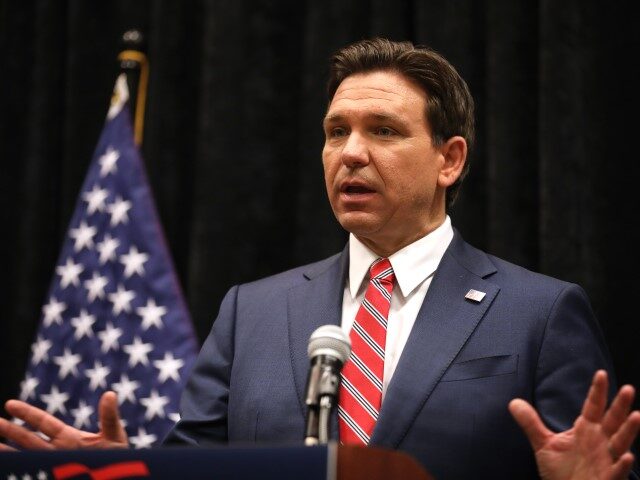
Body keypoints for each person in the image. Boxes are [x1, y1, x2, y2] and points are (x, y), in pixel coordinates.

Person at [1, 38, 639, 479]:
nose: (351, 153)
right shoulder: (252, 310)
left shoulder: (542, 313)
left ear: (450, 159)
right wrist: (135, 471)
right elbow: (194, 467)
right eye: (337, 132)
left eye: (383, 130)